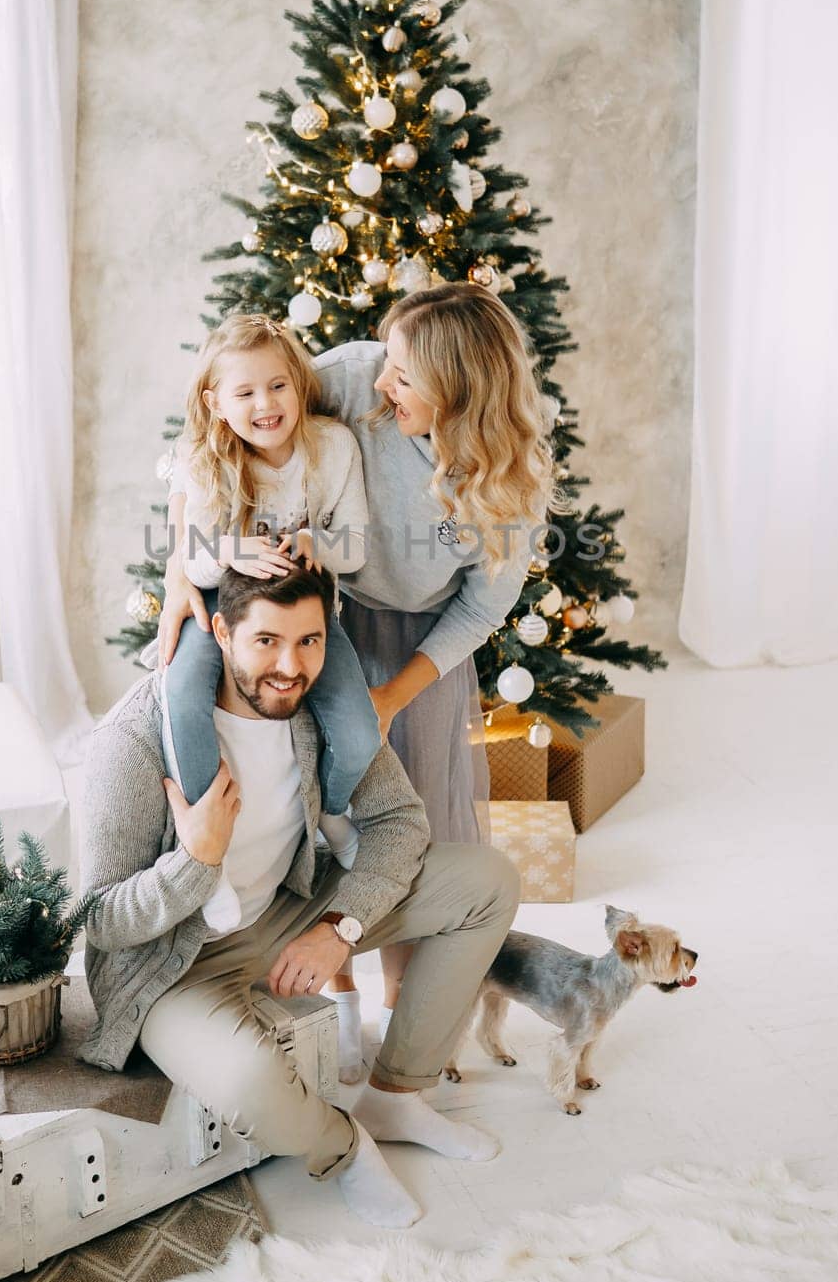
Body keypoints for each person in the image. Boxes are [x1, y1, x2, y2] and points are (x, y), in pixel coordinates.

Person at [159, 284, 556, 1072]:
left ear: (458, 389)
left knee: (414, 824)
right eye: (387, 364)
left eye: (404, 377)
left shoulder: (513, 484)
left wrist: (388, 696)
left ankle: (402, 1014)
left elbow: (477, 615)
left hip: (422, 647)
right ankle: (333, 1004)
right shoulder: (352, 374)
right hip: (320, 620)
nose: (382, 383)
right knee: (317, 809)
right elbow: (218, 426)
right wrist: (181, 565)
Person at [78, 561, 520, 1230]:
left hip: (287, 907)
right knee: (251, 1086)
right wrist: (194, 859)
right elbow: (100, 919)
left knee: (487, 882)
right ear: (222, 632)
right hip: (174, 963)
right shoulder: (133, 739)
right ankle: (344, 1147)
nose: (289, 666)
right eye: (266, 642)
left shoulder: (320, 709)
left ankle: (395, 1094)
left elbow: (400, 822)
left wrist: (339, 927)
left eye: (308, 641)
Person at [155, 312, 382, 939]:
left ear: (299, 385)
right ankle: (213, 859)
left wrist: (316, 541)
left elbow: (356, 548)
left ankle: (331, 812)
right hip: (220, 611)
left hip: (303, 617)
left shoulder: (331, 447)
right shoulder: (206, 460)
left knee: (358, 731)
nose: (265, 404)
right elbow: (189, 556)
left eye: (278, 385)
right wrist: (228, 549)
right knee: (180, 698)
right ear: (216, 403)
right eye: (246, 392)